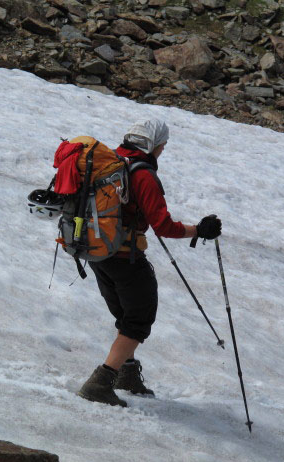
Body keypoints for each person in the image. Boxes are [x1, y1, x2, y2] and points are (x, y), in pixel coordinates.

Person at [77, 119, 222, 407]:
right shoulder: (142, 174)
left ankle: (126, 375)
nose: (162, 151)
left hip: (95, 251)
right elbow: (164, 226)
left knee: (125, 314)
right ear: (155, 145)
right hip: (124, 256)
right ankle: (101, 381)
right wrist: (199, 230)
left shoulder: (111, 161)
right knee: (138, 320)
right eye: (162, 146)